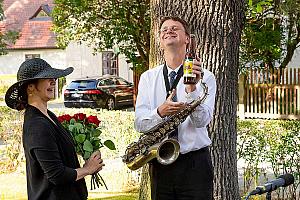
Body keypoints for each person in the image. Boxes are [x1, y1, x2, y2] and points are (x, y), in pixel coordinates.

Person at [134, 16, 216, 200]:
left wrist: (192, 89)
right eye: (164, 29)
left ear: (187, 39)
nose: (168, 31)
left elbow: (202, 121)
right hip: (161, 164)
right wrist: (159, 112)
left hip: (195, 165)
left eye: (175, 28)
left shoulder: (207, 77)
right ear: (160, 41)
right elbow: (139, 124)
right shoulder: (148, 78)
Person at [5, 58, 104, 200]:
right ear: (30, 87)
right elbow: (57, 175)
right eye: (47, 78)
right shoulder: (37, 125)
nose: (53, 81)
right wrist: (88, 169)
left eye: (53, 78)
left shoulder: (48, 116)